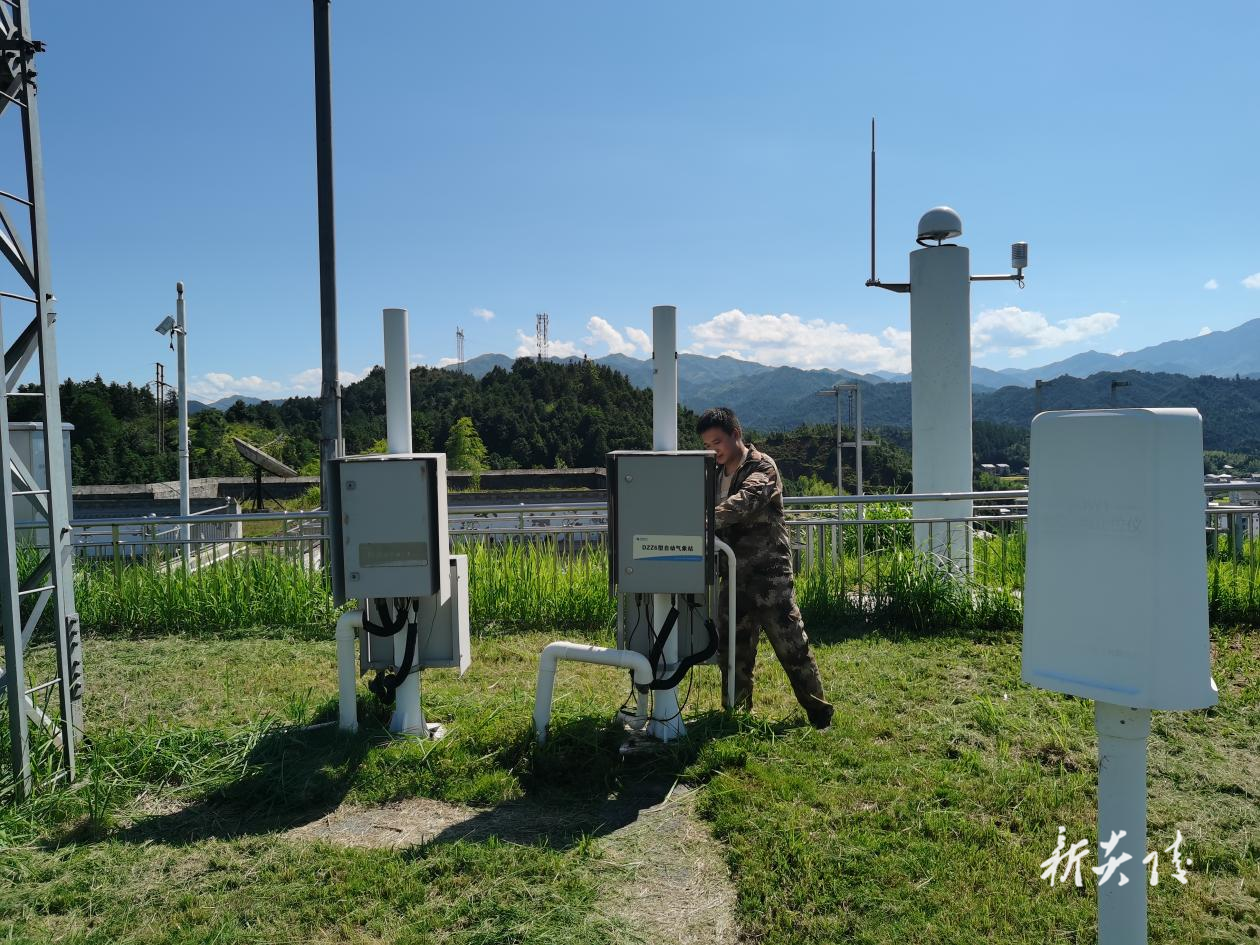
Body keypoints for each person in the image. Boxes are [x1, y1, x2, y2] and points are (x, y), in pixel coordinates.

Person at [697, 406, 834, 729]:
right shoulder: (714, 474)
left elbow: (745, 501)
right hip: (732, 574)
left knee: (792, 648)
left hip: (769, 577)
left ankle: (819, 715)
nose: (712, 450)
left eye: (717, 441)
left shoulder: (762, 466)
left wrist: (699, 521)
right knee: (733, 651)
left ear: (736, 435)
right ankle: (735, 715)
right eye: (707, 445)